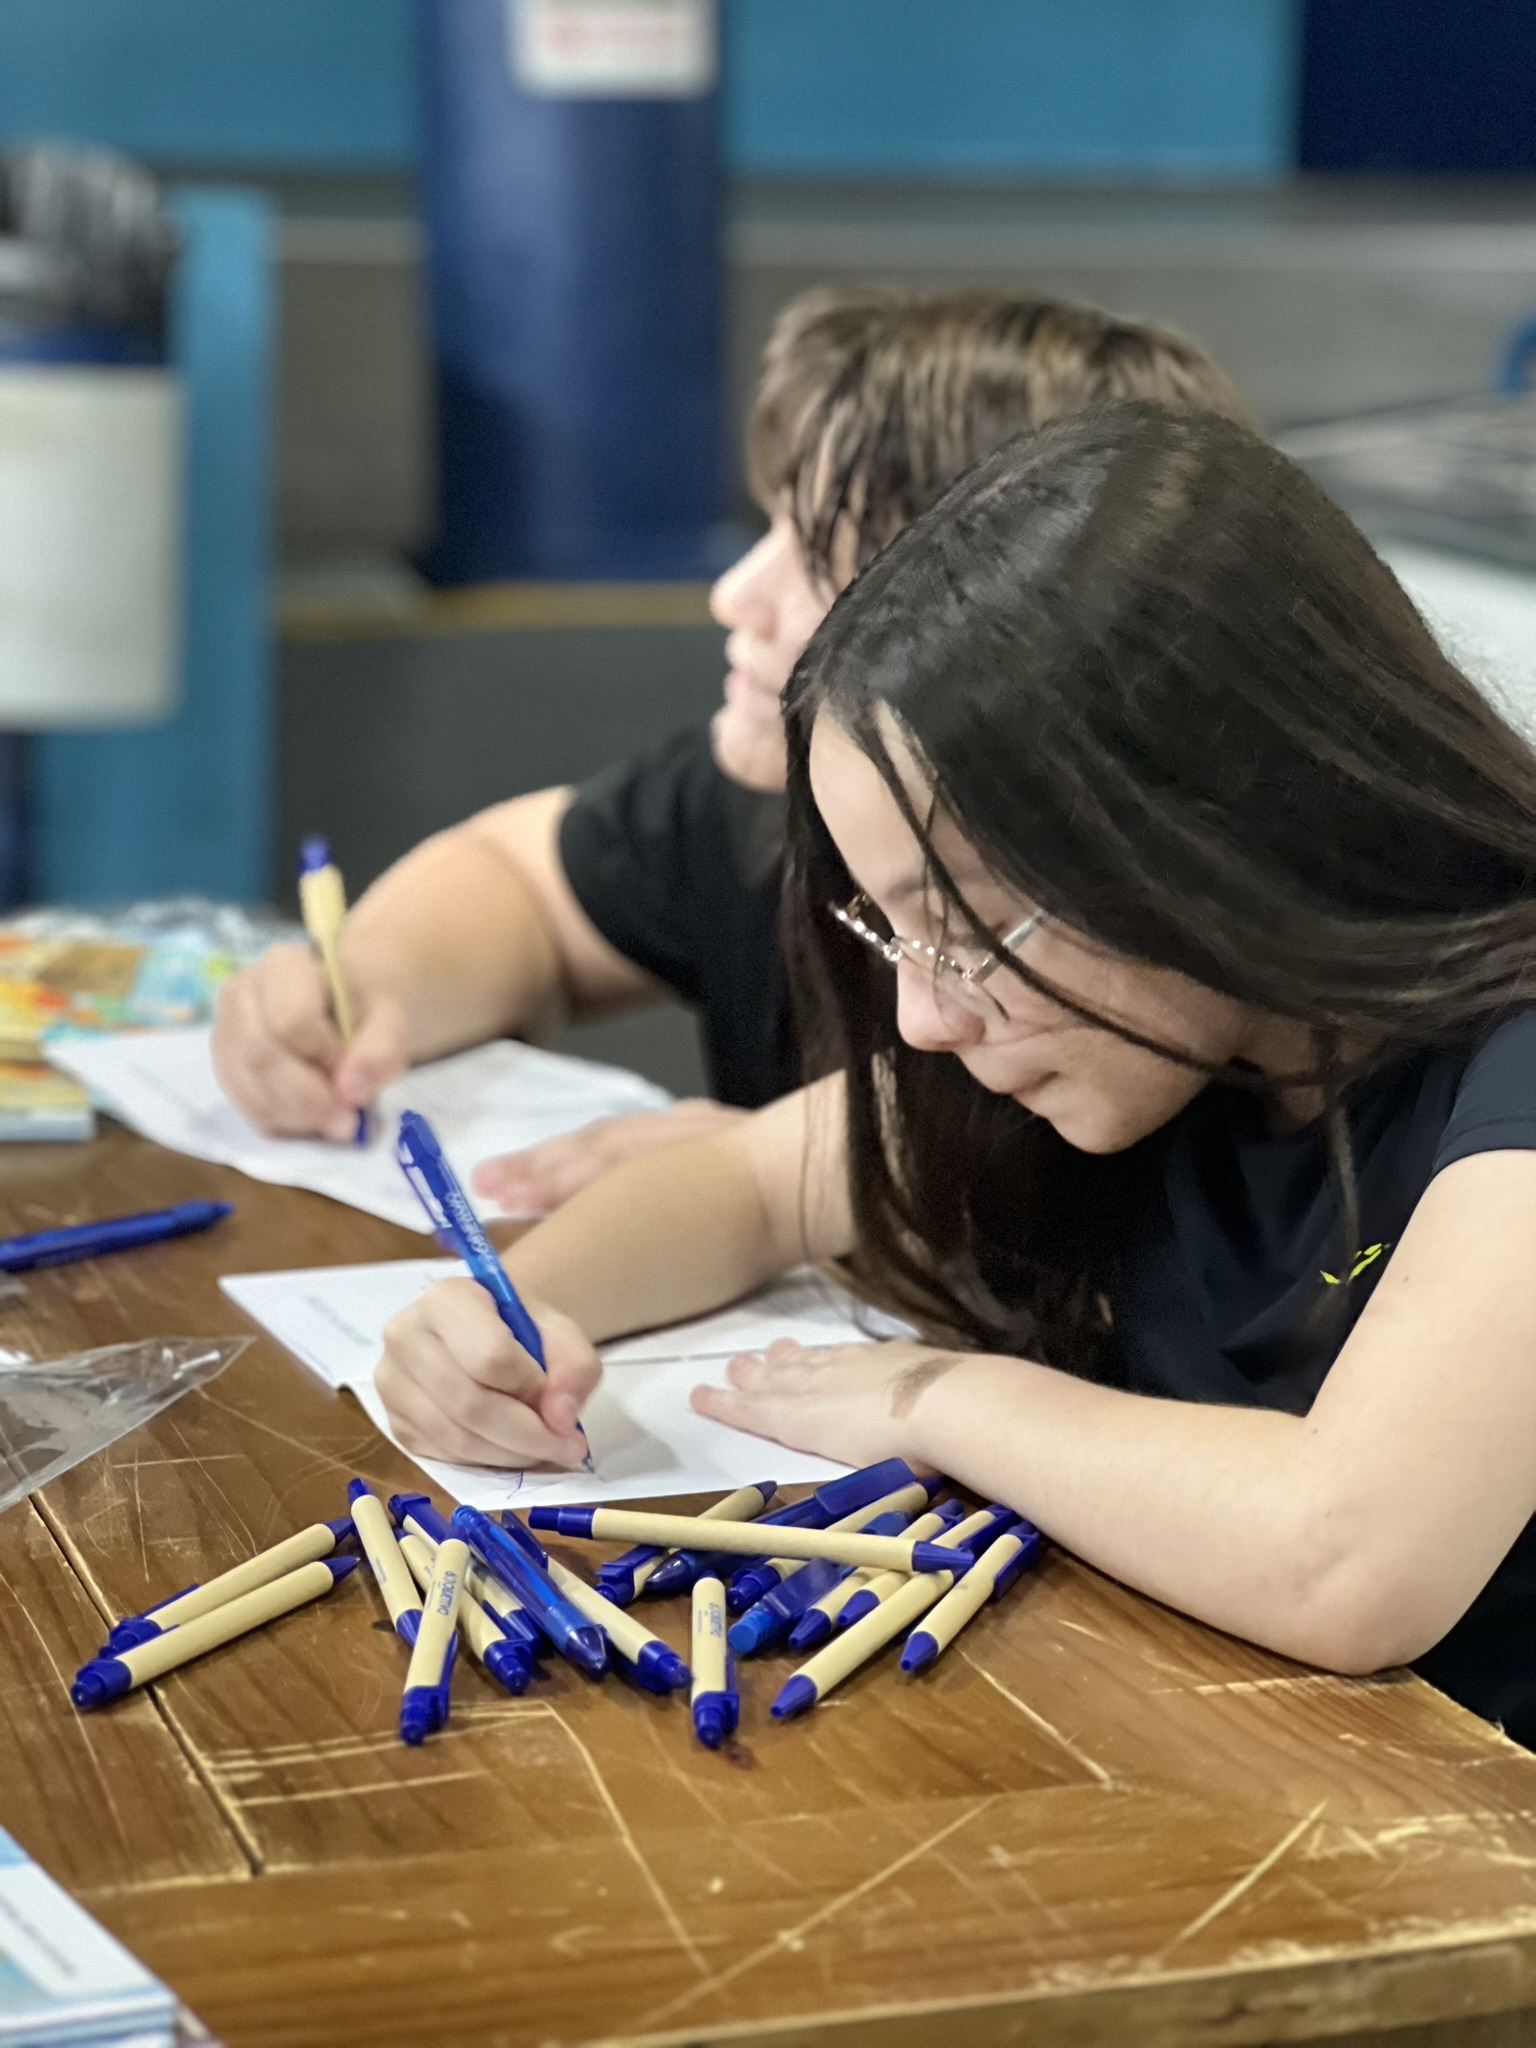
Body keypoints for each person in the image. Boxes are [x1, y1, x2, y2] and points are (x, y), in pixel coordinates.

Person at [375, 404, 1536, 1748]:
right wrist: (515, 1311)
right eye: (894, 930)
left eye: (969, 929)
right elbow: (750, 1184)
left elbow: (1348, 1558)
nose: (922, 1018)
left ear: (1215, 831)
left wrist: (939, 1400)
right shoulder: (1171, 1030)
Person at [212, 289, 1254, 1212]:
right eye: (768, 528)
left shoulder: (1140, 990)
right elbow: (523, 881)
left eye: (820, 559)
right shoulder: (762, 803)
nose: (734, 595)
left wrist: (772, 1191)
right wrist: (363, 989)